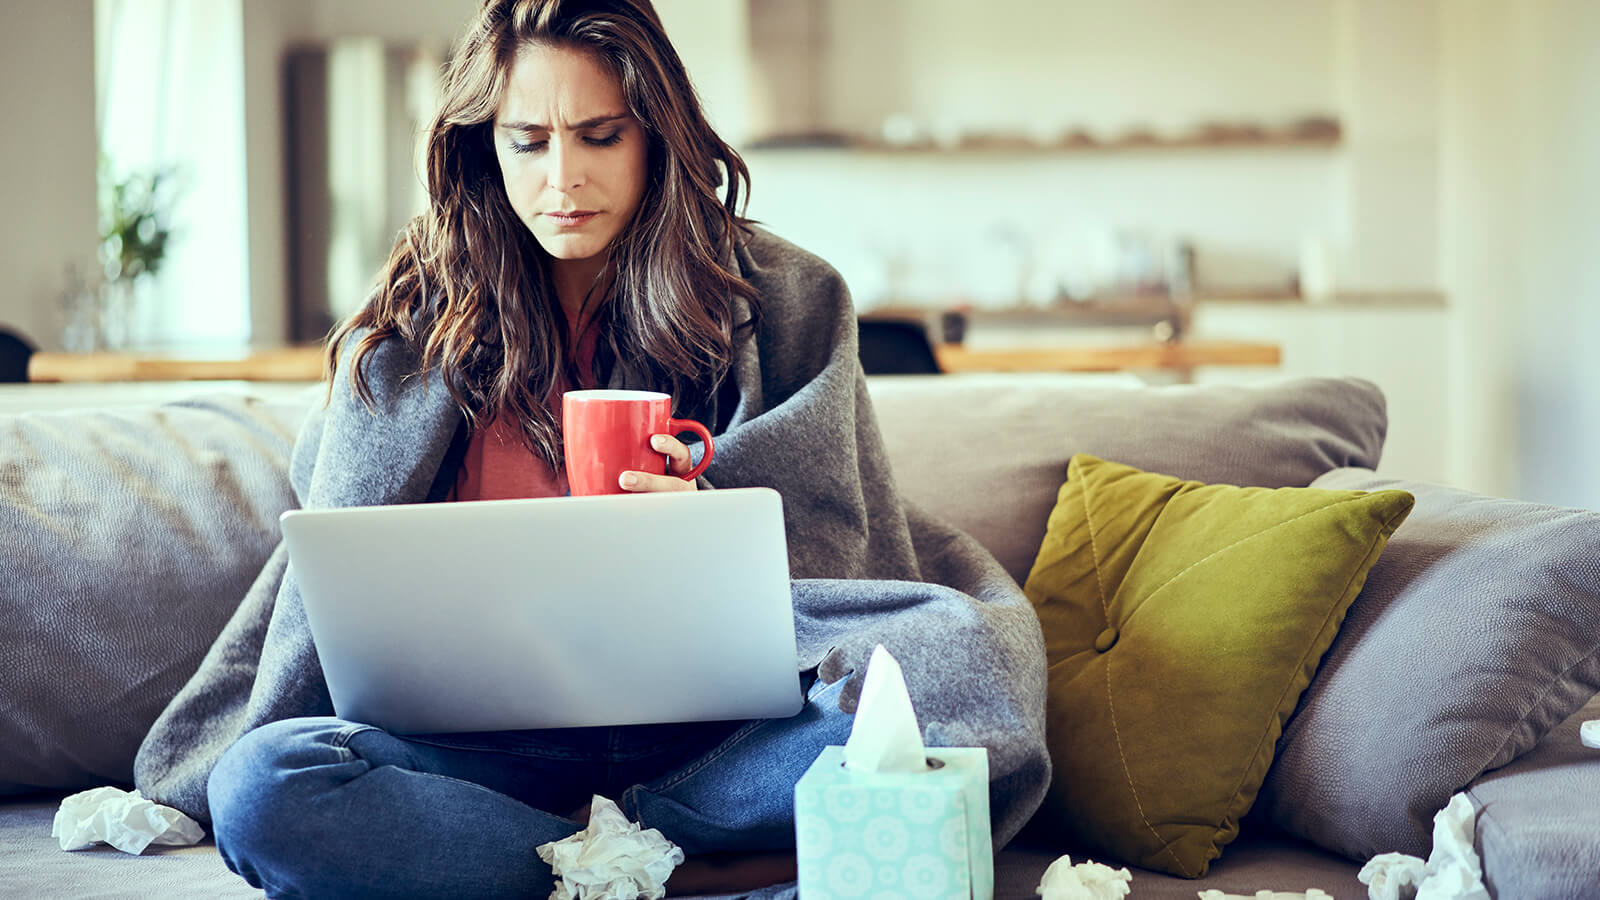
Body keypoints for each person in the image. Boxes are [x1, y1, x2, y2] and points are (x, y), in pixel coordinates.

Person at [133, 1, 1050, 897]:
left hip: (720, 744)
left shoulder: (788, 297)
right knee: (264, 787)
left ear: (659, 133)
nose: (562, 179)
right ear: (480, 147)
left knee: (965, 670)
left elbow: (836, 548)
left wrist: (710, 523)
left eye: (600, 136)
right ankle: (650, 863)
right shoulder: (412, 326)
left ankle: (591, 855)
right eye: (527, 141)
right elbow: (333, 564)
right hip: (484, 756)